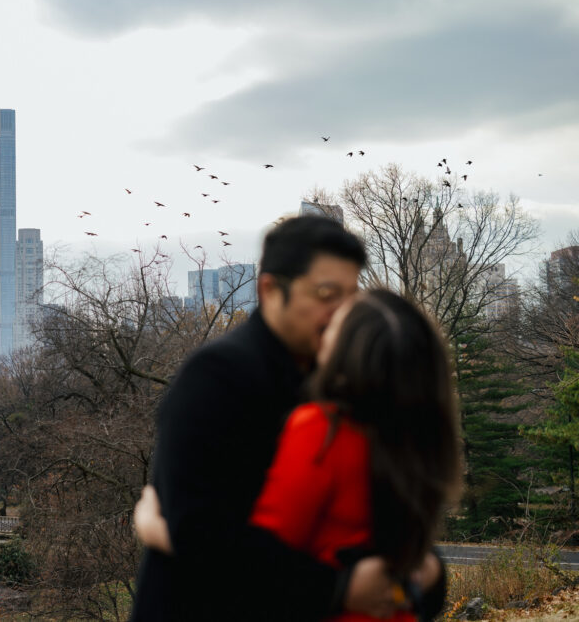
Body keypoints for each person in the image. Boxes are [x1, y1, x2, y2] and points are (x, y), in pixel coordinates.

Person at [130, 215, 447, 621]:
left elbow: (388, 518)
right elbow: (202, 540)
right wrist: (341, 588)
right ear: (269, 290)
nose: (341, 313)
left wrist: (427, 574)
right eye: (326, 294)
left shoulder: (350, 384)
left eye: (350, 297)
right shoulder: (215, 378)